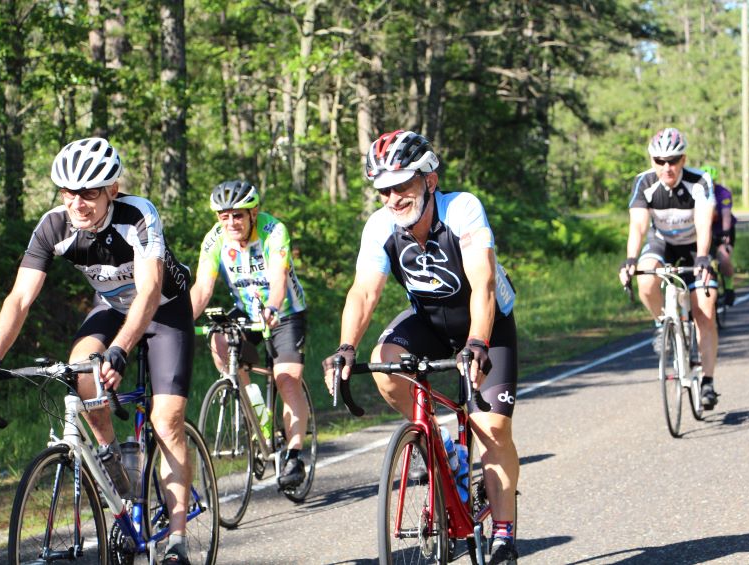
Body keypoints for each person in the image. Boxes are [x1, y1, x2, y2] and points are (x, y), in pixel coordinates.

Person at [0, 137, 195, 565]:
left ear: (111, 189)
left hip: (164, 312)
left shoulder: (138, 215)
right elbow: (20, 298)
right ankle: (113, 465)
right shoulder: (54, 226)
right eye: (68, 191)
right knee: (79, 369)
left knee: (166, 421)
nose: (78, 202)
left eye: (89, 192)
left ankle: (178, 541)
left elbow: (148, 291)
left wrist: (122, 350)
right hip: (111, 308)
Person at [322, 130, 520, 564]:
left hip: (486, 323)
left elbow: (483, 285)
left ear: (429, 179)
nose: (392, 198)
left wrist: (477, 342)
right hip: (430, 321)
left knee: (493, 428)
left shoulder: (462, 210)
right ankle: (441, 447)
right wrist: (344, 346)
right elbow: (364, 292)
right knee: (382, 364)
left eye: (402, 185)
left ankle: (504, 531)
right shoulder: (380, 226)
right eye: (383, 189)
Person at [190, 180, 309, 488]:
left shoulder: (273, 231)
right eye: (224, 216)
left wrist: (271, 308)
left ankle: (294, 456)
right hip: (245, 310)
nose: (231, 222)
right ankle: (256, 408)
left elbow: (278, 279)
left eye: (238, 215)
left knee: (287, 379)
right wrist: (177, 323)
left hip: (283, 311)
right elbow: (202, 289)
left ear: (253, 212)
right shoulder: (215, 239)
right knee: (218, 339)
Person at [619, 127, 720, 409]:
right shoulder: (644, 182)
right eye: (660, 161)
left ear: (683, 159)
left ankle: (708, 381)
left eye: (673, 160)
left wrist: (702, 258)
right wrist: (630, 259)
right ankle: (662, 323)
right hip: (661, 243)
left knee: (706, 311)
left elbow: (703, 222)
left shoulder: (700, 180)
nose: (667, 167)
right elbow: (638, 225)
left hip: (694, 246)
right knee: (646, 279)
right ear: (652, 160)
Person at [699, 165, 736, 306]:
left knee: (724, 257)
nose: (709, 185)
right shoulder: (696, 192)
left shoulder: (724, 193)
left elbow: (726, 216)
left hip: (723, 230)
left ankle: (729, 288)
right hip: (705, 229)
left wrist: (725, 235)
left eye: (711, 182)